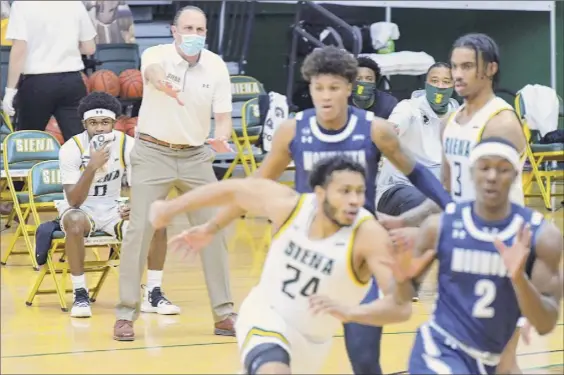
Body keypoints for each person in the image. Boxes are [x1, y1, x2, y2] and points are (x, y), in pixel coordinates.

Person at [170, 45, 451, 374]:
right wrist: (210, 228)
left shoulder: (376, 131)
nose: (326, 96)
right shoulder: (293, 131)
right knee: (281, 351)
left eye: (334, 87)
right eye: (319, 88)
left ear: (349, 87)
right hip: (302, 254)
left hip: (356, 253)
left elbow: (417, 172)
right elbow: (253, 186)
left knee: (363, 358)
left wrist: (452, 210)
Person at [149, 156, 419, 374]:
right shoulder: (291, 207)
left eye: (360, 192)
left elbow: (400, 307)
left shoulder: (369, 235)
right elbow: (235, 189)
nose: (354, 200)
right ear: (321, 194)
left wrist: (352, 313)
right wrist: (173, 211)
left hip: (312, 342)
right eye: (345, 191)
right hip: (266, 314)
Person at [379, 33, 529, 374]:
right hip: (464, 246)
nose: (458, 75)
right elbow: (446, 195)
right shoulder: (452, 122)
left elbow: (494, 206)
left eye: (467, 67)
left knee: (502, 360)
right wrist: (406, 222)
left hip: (499, 249)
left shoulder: (501, 123)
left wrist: (433, 241)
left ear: (490, 69)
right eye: (455, 66)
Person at [388, 137, 562, 375]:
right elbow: (403, 297)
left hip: (488, 361)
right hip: (439, 349)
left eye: (502, 169)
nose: (492, 176)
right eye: (484, 167)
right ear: (471, 172)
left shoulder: (541, 237)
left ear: (515, 174)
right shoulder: (439, 227)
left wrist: (519, 278)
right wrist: (401, 276)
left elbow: (545, 324)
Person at [113, 5, 236, 341]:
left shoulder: (216, 66)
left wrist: (221, 135)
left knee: (214, 229)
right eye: (188, 28)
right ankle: (126, 314)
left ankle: (224, 314)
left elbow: (222, 115)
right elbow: (151, 72)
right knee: (139, 231)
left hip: (196, 156)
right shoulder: (157, 53)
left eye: (200, 30)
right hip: (153, 153)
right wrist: (163, 85)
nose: (193, 35)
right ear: (174, 30)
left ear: (206, 34)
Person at [58, 92, 134, 318]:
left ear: (114, 123)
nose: (99, 128)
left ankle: (154, 290)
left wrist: (135, 204)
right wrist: (91, 167)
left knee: (155, 219)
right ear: (84, 124)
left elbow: (141, 184)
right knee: (73, 221)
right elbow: (74, 201)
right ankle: (80, 293)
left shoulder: (127, 144)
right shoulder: (71, 148)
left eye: (105, 123)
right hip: (83, 208)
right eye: (93, 123)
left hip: (113, 207)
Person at [2, 1, 96, 141]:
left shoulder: (22, 4)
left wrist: (10, 91)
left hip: (37, 82)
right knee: (79, 144)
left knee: (28, 143)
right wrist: (65, 48)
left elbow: (19, 49)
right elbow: (89, 48)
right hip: (72, 81)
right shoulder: (75, 4)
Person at [376, 62, 458, 217]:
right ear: (426, 84)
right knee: (430, 205)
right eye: (434, 81)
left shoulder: (458, 115)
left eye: (446, 82)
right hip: (397, 188)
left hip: (439, 190)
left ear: (454, 86)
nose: (440, 86)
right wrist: (390, 131)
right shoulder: (408, 108)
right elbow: (393, 126)